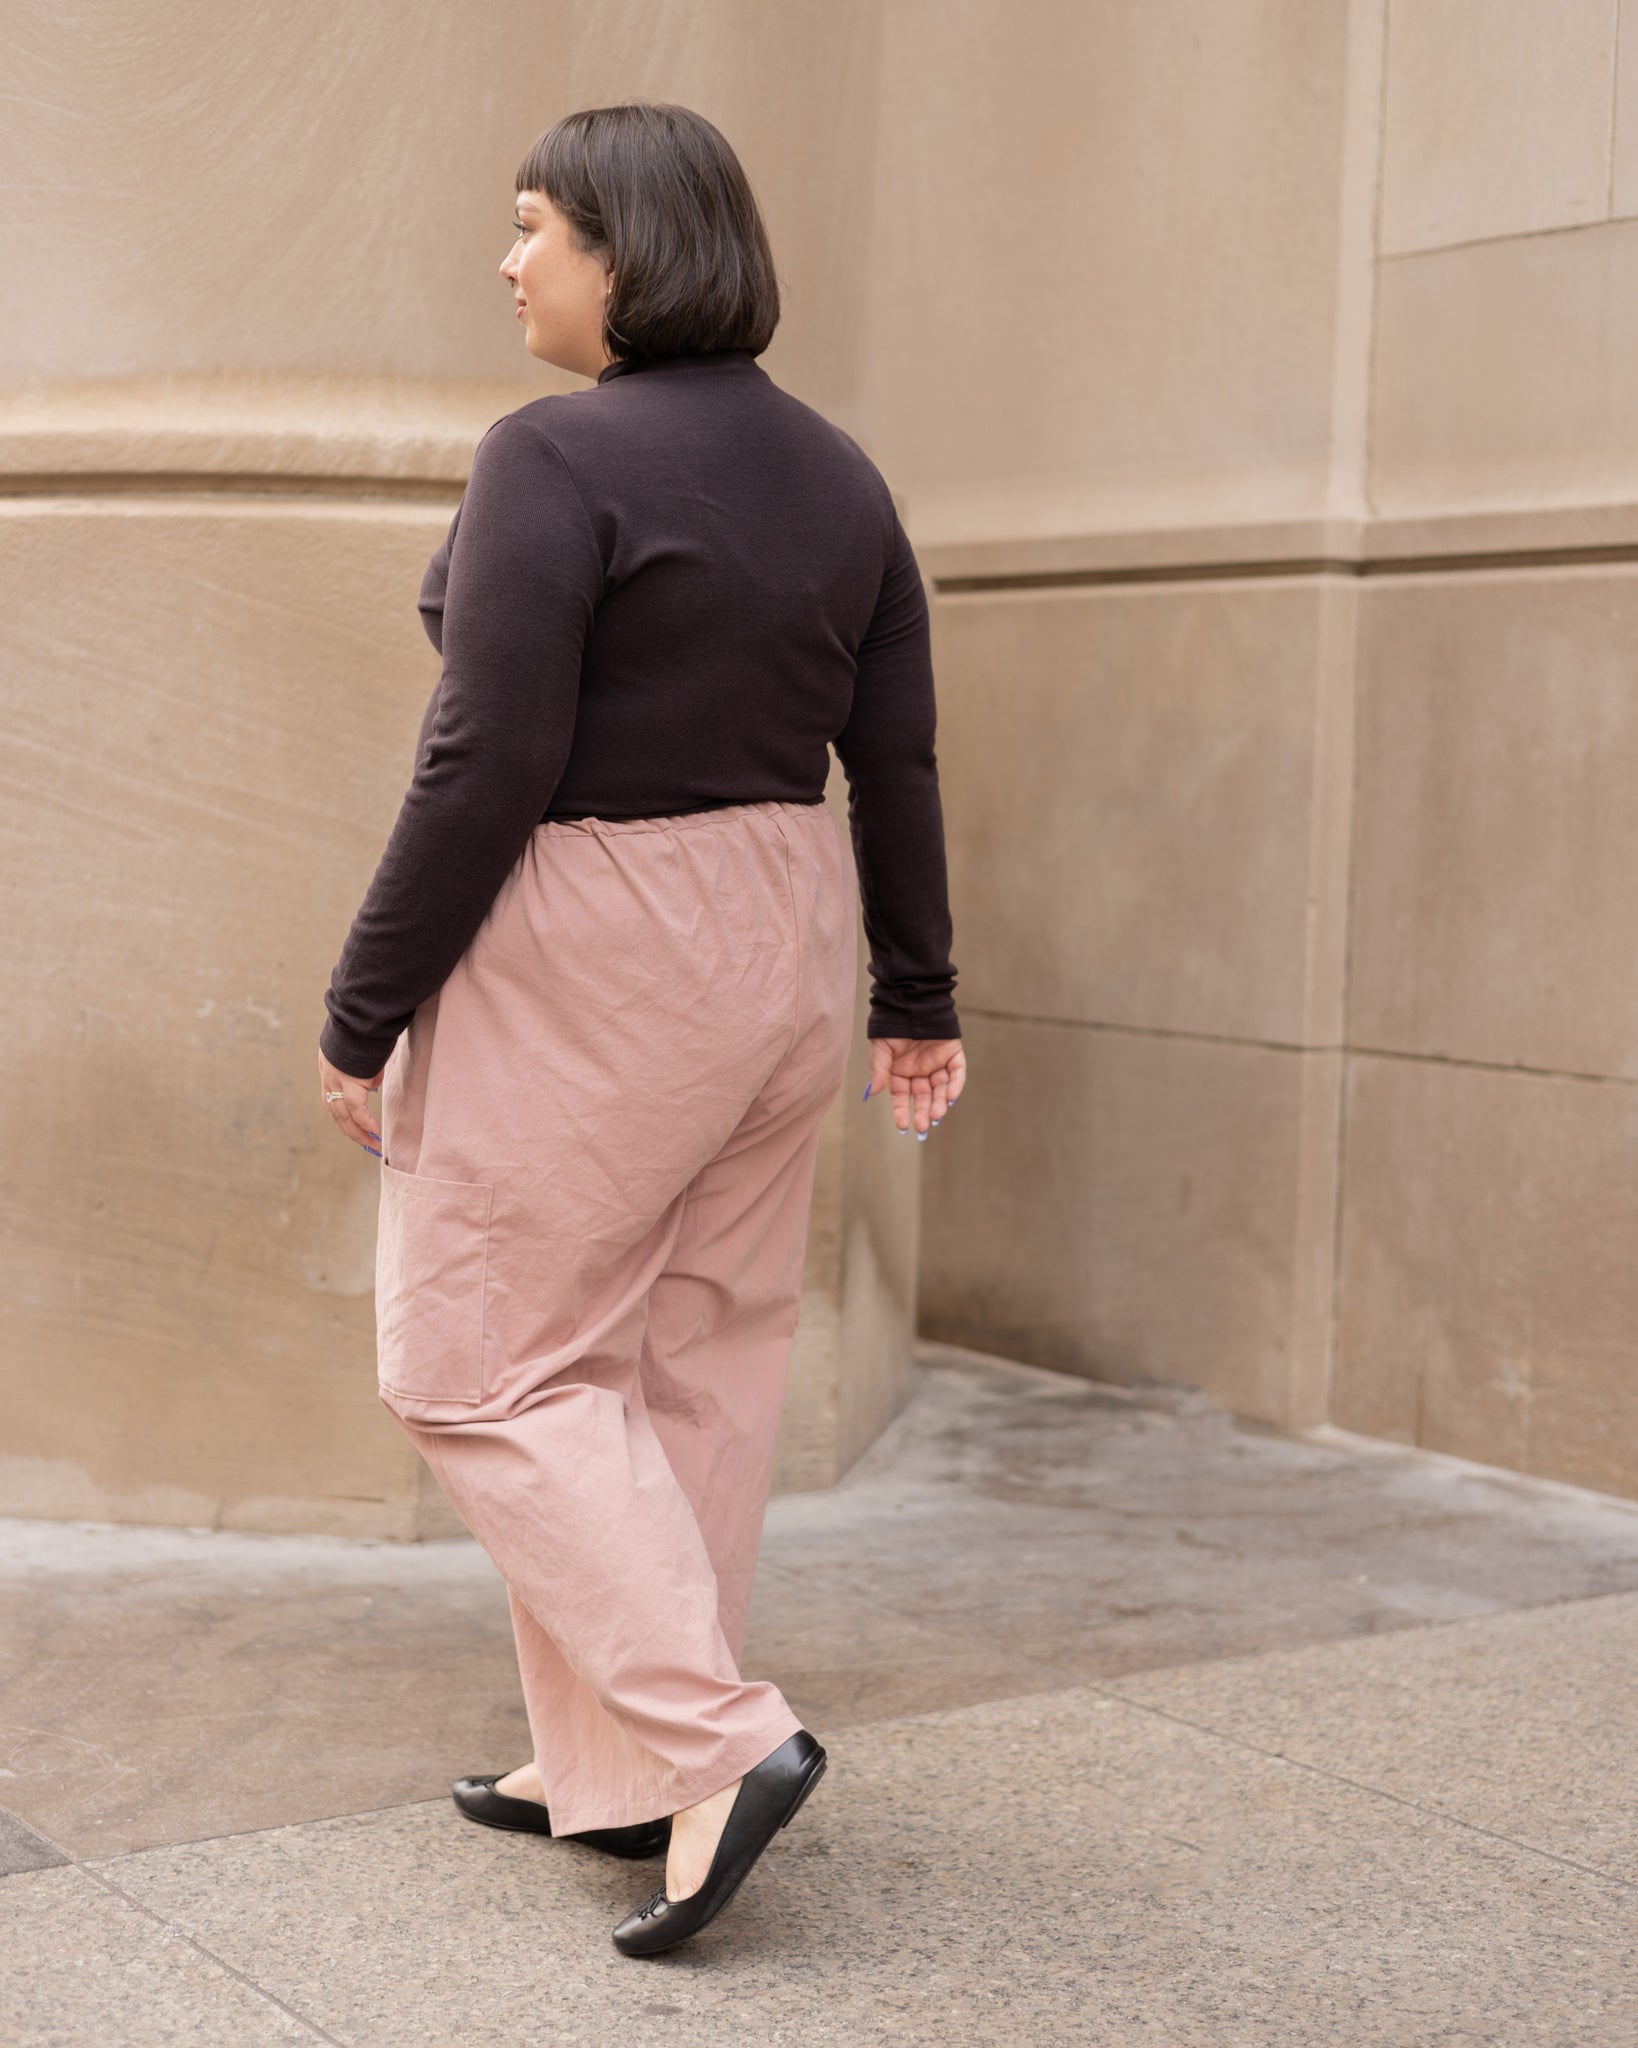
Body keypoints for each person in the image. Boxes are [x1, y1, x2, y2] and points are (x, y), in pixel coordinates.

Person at [316, 100, 965, 1958]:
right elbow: (895, 756)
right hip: (783, 923)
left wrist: (365, 1005)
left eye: (534, 227)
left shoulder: (551, 454)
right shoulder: (844, 476)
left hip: (598, 932)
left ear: (629, 247)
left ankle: (713, 1738)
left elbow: (487, 755)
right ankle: (615, 1767)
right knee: (688, 1356)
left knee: (478, 1363)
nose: (511, 263)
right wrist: (912, 994)